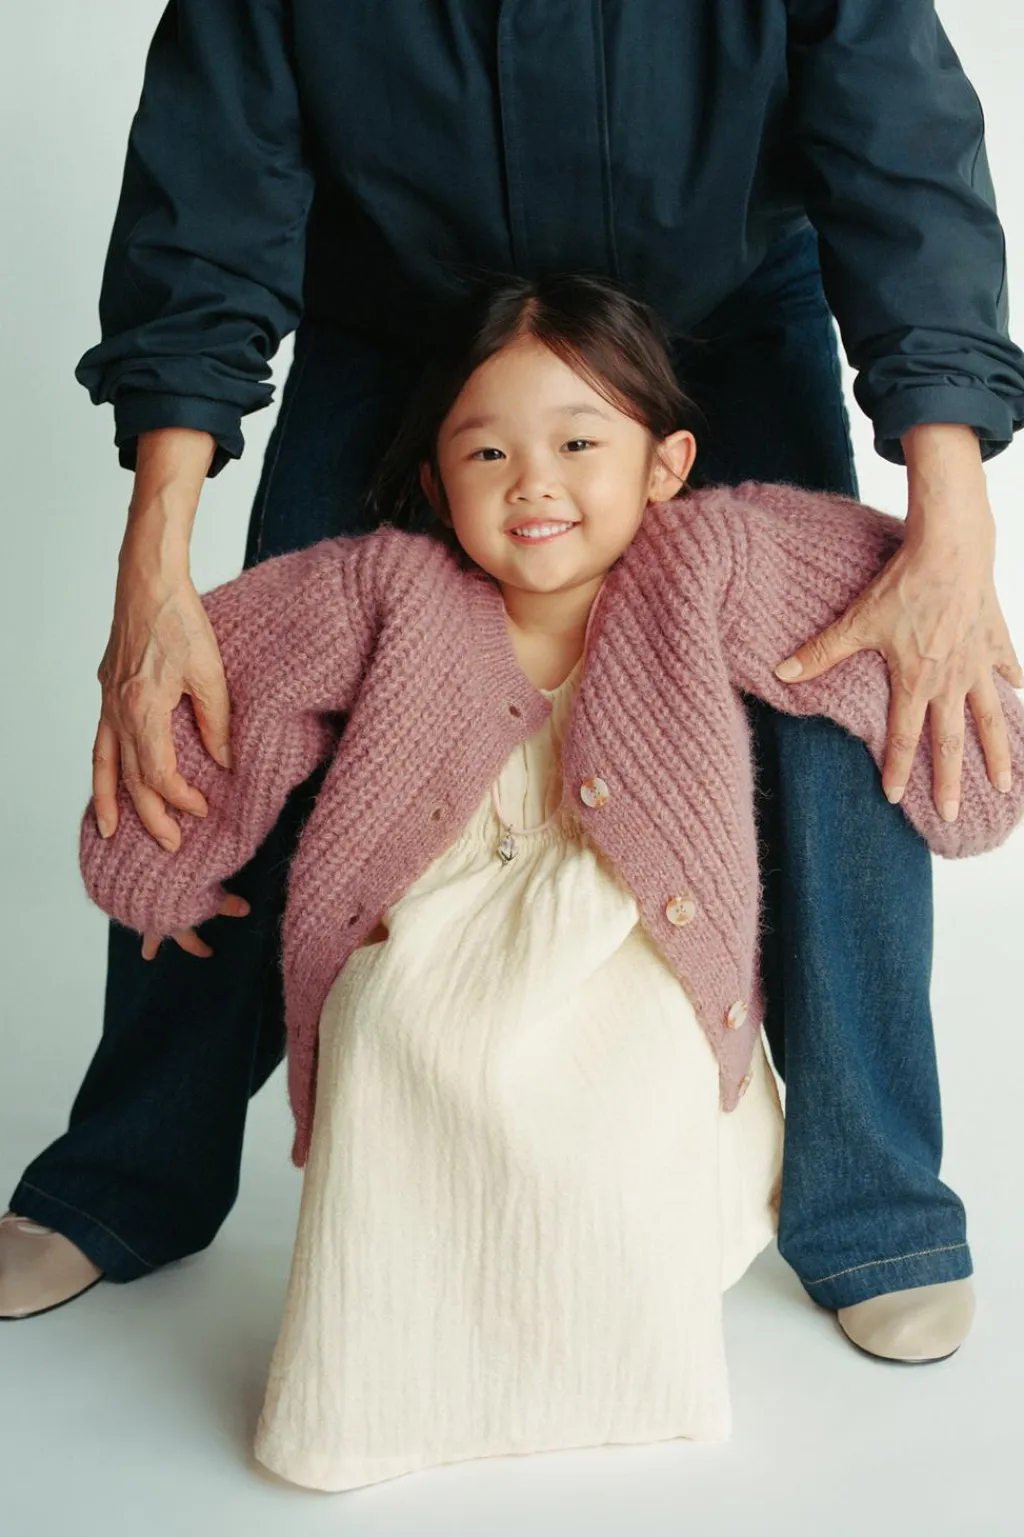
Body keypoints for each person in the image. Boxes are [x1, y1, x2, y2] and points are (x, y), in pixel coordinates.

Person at [2, 3, 1022, 1359]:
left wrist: (952, 525)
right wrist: (155, 571)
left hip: (710, 317)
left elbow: (902, 155)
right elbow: (211, 193)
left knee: (842, 683)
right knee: (235, 695)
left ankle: (878, 1207)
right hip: (405, 324)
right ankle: (127, 1171)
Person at [73, 275, 1024, 1491]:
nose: (533, 481)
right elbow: (227, 675)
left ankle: (612, 1359)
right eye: (487, 451)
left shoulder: (711, 559)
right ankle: (379, 1378)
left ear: (665, 464)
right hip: (433, 923)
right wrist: (162, 870)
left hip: (634, 935)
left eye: (579, 445)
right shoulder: (389, 587)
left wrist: (974, 760)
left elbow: (881, 602)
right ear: (435, 482)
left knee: (632, 1070)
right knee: (389, 1032)